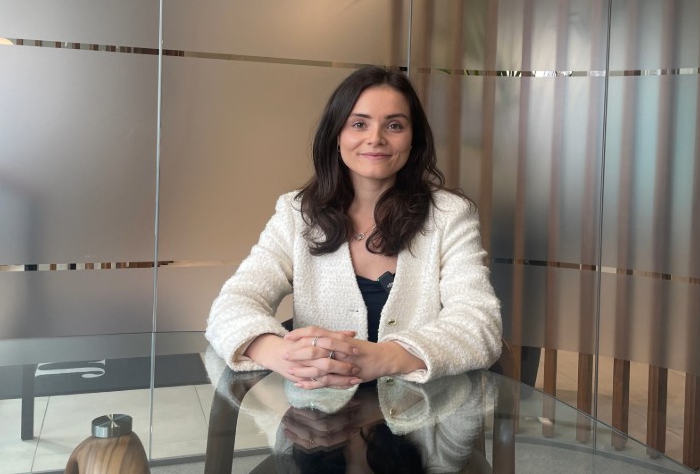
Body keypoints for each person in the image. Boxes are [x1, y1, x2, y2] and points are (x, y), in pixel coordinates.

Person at [205, 66, 501, 389]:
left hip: (422, 412)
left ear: (413, 139)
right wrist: (284, 355)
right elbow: (230, 307)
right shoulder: (297, 214)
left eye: (394, 125)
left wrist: (385, 357)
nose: (376, 138)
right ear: (337, 136)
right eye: (359, 124)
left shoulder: (449, 215)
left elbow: (480, 326)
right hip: (317, 413)